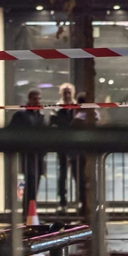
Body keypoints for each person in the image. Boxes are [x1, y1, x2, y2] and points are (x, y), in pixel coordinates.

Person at [9, 90, 47, 209]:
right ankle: (28, 212)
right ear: (29, 100)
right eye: (35, 99)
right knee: (30, 181)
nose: (37, 101)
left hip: (39, 155)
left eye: (39, 99)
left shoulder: (40, 116)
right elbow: (12, 131)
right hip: (27, 154)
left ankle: (31, 211)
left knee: (35, 184)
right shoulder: (21, 115)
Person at [50, 83, 81, 211]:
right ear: (61, 94)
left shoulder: (77, 108)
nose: (67, 95)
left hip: (75, 145)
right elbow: (52, 124)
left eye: (69, 92)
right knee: (62, 175)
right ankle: (62, 201)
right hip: (62, 145)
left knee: (77, 174)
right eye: (65, 92)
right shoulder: (57, 109)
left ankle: (80, 201)